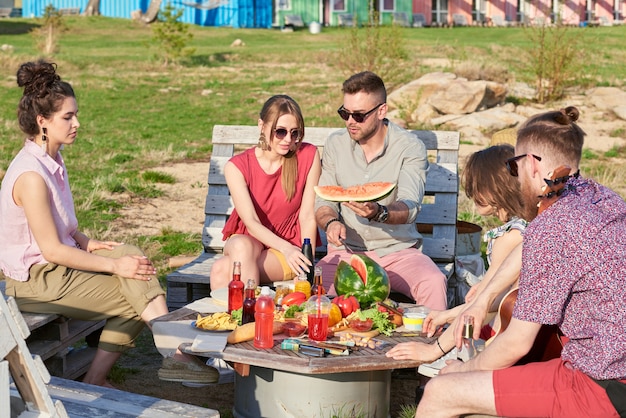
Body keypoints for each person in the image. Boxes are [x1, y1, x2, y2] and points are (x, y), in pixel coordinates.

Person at [0, 60, 217, 387]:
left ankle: (159, 358)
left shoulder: (52, 161)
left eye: (76, 114)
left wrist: (88, 242)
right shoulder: (31, 175)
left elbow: (63, 228)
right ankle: (171, 355)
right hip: (35, 281)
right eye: (68, 117)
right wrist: (114, 268)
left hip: (54, 271)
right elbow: (52, 249)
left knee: (131, 257)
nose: (77, 123)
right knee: (134, 293)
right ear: (42, 121)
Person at [415, 107, 626, 418]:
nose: (515, 178)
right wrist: (484, 297)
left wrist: (462, 370)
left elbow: (516, 344)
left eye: (514, 167)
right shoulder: (603, 198)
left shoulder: (553, 225)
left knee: (440, 392)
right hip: (610, 367)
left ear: (530, 164)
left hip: (600, 385)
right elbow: (531, 245)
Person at [386, 144, 532, 364]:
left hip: (501, 335)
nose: (471, 193)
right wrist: (448, 314)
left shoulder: (509, 238)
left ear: (496, 188)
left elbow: (485, 304)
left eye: (476, 186)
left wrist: (435, 347)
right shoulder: (525, 228)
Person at [314, 71, 446, 310]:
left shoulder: (409, 147)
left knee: (434, 282)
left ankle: (432, 346)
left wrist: (380, 212)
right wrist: (331, 222)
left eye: (359, 115)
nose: (349, 121)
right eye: (344, 113)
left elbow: (410, 205)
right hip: (347, 252)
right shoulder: (336, 143)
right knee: (313, 292)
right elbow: (324, 201)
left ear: (382, 111)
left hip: (398, 252)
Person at [209, 94, 321, 289]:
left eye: (295, 133)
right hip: (249, 240)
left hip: (290, 246)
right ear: (262, 125)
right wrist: (286, 249)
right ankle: (249, 315)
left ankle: (239, 317)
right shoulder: (237, 166)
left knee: (221, 268)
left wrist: (305, 265)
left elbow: (307, 217)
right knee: (240, 247)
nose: (288, 140)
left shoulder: (308, 155)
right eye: (280, 131)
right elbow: (251, 223)